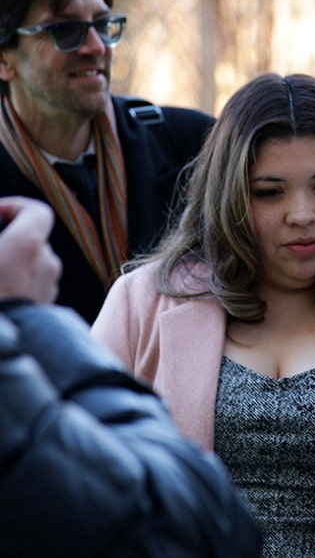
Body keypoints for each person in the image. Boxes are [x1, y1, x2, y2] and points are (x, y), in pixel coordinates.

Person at [92, 73, 315, 558]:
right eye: (270, 192)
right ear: (228, 194)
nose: (302, 213)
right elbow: (75, 474)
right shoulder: (140, 303)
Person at [0, 196, 261, 557]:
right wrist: (24, 313)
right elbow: (195, 522)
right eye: (268, 192)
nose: (300, 215)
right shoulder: (141, 295)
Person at [0, 0, 215, 323]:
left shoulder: (194, 144)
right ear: (5, 59)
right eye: (65, 30)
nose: (96, 46)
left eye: (102, 25)